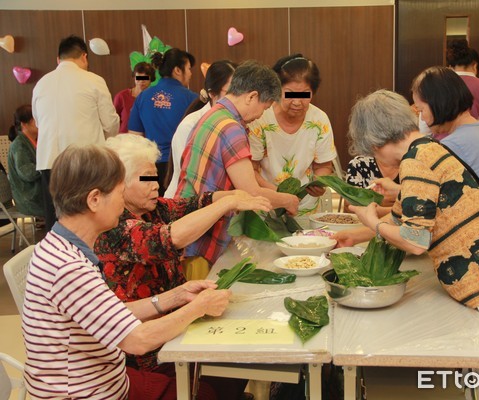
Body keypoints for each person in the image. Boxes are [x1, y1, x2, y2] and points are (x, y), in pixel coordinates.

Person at [334, 89, 479, 400]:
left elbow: (415, 240)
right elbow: (415, 216)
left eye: (372, 152)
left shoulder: (416, 162)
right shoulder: (428, 149)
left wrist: (371, 220)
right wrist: (360, 231)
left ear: (375, 142)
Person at [21, 144, 231, 400]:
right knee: (209, 390)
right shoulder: (68, 268)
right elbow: (137, 340)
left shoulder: (60, 246)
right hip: (89, 393)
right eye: (120, 193)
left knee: (212, 386)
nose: (123, 202)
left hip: (111, 379)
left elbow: (112, 313)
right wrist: (199, 307)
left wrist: (177, 296)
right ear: (94, 199)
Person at [94, 134, 268, 398]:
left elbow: (196, 203)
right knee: (215, 384)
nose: (156, 186)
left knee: (242, 361)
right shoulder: (112, 229)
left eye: (156, 177)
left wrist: (233, 194)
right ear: (120, 185)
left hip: (175, 328)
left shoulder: (153, 210)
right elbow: (171, 237)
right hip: (145, 353)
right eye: (146, 179)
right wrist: (228, 203)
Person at [175, 60, 299, 269]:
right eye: (265, 107)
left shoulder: (214, 115)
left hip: (188, 222)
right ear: (252, 96)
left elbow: (244, 174)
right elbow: (250, 193)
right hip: (200, 237)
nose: (261, 115)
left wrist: (276, 192)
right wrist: (286, 200)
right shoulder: (232, 129)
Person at [412, 66, 479, 237]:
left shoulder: (455, 144)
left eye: (421, 110)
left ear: (438, 103)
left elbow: (426, 199)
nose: (422, 118)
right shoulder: (474, 131)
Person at [32, 34, 119, 232]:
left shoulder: (41, 84)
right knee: (88, 220)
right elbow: (110, 123)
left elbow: (37, 122)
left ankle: (55, 261)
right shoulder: (94, 80)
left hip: (49, 162)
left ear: (58, 59)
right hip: (84, 162)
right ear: (84, 57)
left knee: (56, 221)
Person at [248, 54, 336, 215]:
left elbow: (323, 165)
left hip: (305, 207)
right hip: (266, 204)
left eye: (304, 95)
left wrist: (319, 183)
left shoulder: (319, 121)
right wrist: (279, 195)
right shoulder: (260, 118)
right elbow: (250, 170)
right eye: (289, 94)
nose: (297, 102)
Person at [128, 48, 198, 195]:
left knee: (152, 204)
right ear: (178, 70)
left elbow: (134, 137)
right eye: (189, 69)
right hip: (178, 167)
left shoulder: (143, 97)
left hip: (150, 168)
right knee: (175, 209)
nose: (191, 74)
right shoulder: (192, 99)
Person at [164, 60, 237, 198]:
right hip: (185, 204)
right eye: (231, 93)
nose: (237, 98)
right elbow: (190, 178)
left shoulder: (236, 123)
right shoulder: (191, 125)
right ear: (212, 93)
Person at [7, 105, 44, 217]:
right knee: (65, 202)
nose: (40, 123)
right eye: (35, 120)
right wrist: (46, 166)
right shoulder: (19, 145)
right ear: (24, 124)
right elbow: (27, 173)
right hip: (29, 198)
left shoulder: (36, 141)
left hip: (37, 194)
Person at [113, 62, 155, 133]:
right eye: (138, 78)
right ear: (134, 78)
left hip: (147, 140)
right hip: (125, 139)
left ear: (151, 79)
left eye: (145, 78)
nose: (141, 81)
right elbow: (113, 120)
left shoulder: (155, 98)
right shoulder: (121, 96)